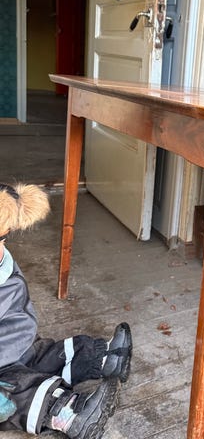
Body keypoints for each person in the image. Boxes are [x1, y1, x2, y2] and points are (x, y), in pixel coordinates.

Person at [0, 183, 132, 438]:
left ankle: (100, 361)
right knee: (17, 385)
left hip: (14, 344)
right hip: (6, 363)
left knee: (37, 358)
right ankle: (69, 411)